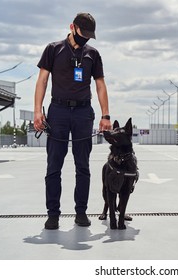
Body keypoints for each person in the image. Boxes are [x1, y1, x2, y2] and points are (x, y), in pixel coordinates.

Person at [33, 12, 112, 230]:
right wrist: (37, 111)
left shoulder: (93, 54)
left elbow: (100, 85)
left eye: (89, 35)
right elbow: (42, 80)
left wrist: (105, 115)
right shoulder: (53, 49)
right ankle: (53, 214)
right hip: (57, 111)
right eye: (82, 33)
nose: (85, 38)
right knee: (53, 166)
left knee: (83, 166)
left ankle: (81, 212)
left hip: (83, 114)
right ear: (72, 27)